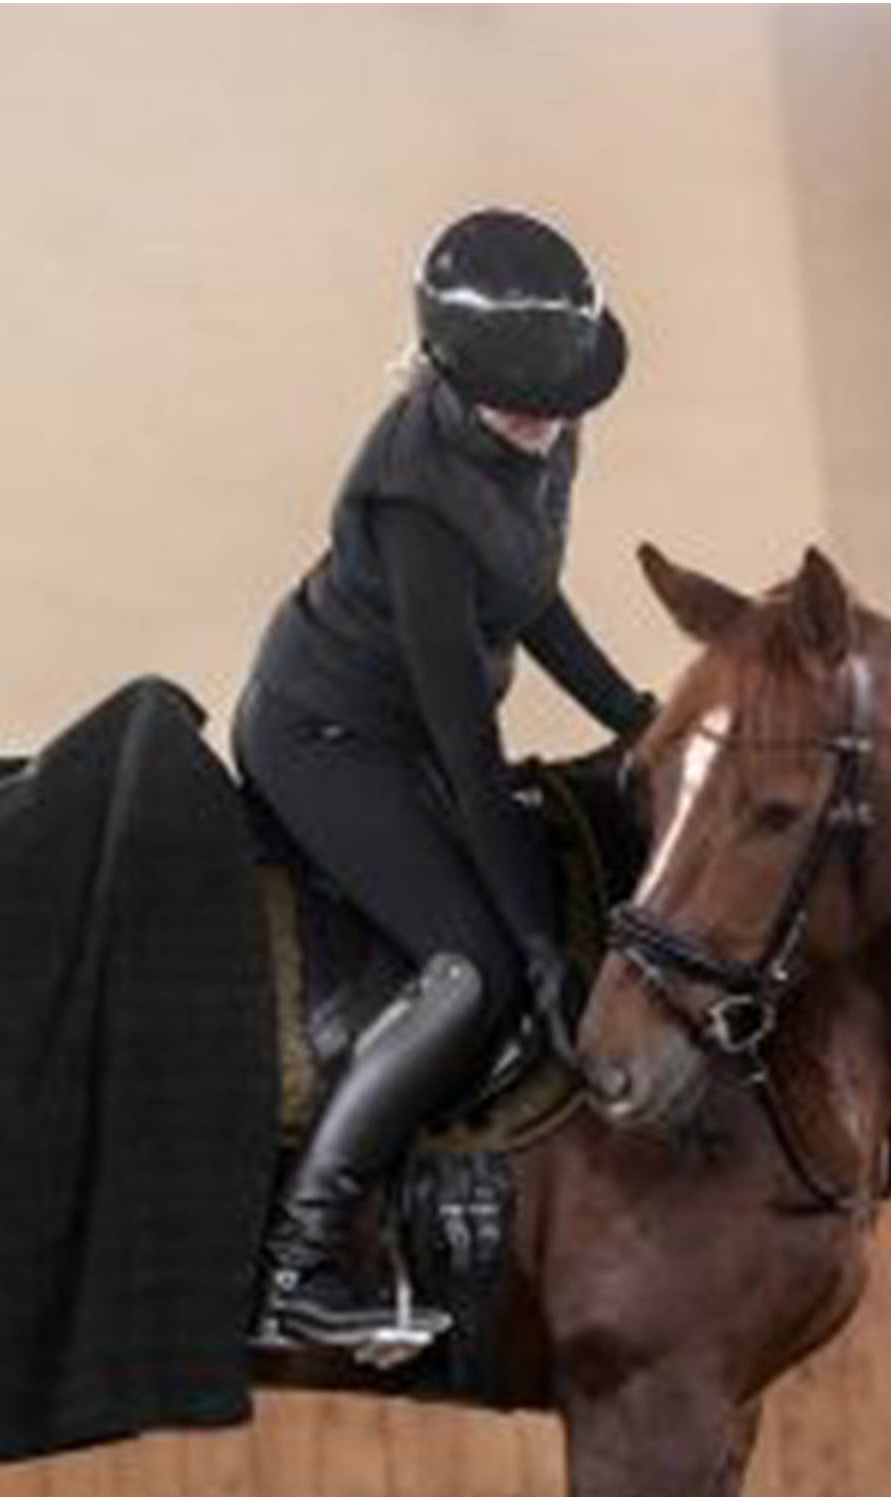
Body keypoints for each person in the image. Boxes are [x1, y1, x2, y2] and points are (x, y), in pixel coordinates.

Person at [234, 207, 655, 1352]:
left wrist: (635, 717)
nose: (541, 426)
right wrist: (535, 946)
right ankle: (299, 1268)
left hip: (408, 731)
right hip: (325, 734)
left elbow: (527, 593)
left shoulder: (549, 415)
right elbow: (467, 752)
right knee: (471, 973)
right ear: (451, 375)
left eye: (556, 403)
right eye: (517, 406)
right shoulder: (411, 497)